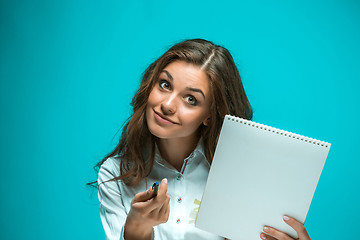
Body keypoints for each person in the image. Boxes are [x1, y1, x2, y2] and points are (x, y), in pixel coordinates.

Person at [88, 39, 312, 240]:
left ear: (209, 115)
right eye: (165, 85)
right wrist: (137, 227)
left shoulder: (242, 174)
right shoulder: (115, 173)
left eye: (191, 99)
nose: (167, 105)